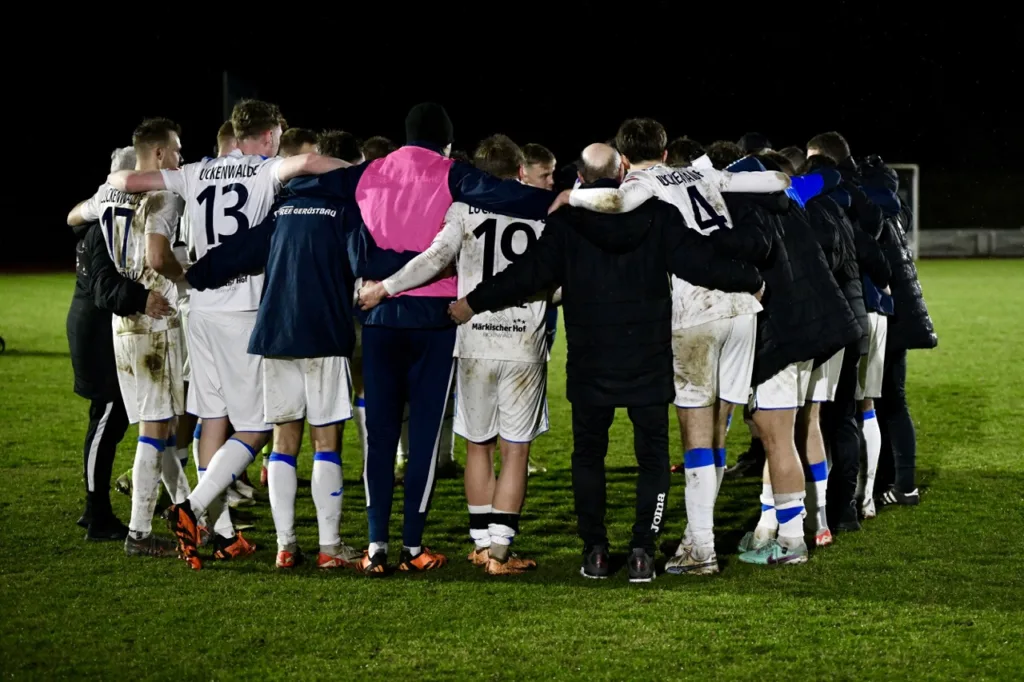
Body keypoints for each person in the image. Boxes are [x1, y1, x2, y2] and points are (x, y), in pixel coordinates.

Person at [449, 142, 765, 582]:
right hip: (648, 357)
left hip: (590, 360)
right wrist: (751, 279)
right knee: (652, 459)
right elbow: (701, 263)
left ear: (581, 178)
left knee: (589, 457)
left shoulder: (567, 223)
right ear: (623, 175)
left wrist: (472, 303)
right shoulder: (657, 215)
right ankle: (641, 551)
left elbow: (526, 275)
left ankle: (595, 551)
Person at [285, 102, 558, 575]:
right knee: (425, 441)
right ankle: (413, 547)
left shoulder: (369, 171)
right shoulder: (452, 173)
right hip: (435, 318)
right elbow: (514, 198)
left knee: (380, 438)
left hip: (379, 314)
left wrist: (283, 170)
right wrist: (564, 198)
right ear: (447, 142)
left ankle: (376, 547)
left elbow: (306, 180)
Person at [106, 99, 346, 569]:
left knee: (212, 418)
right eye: (277, 133)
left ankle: (220, 531)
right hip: (244, 308)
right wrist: (367, 171)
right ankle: (192, 510)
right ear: (268, 133)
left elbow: (128, 181)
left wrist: (112, 186)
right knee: (258, 426)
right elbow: (312, 162)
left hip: (200, 308)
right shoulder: (265, 169)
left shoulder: (195, 171)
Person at [564, 119, 788, 575]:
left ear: (623, 160)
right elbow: (777, 180)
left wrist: (571, 196)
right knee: (719, 428)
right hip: (743, 307)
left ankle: (701, 546)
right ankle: (694, 537)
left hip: (695, 308)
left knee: (695, 432)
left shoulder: (641, 184)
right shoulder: (702, 173)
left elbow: (613, 199)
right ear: (666, 151)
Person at [358, 134, 547, 576]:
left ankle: (480, 543)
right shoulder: (541, 213)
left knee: (477, 444)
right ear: (520, 173)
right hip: (522, 342)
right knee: (515, 451)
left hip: (473, 338)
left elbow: (432, 258)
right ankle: (500, 551)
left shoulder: (461, 210)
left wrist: (384, 288)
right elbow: (555, 282)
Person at [185, 141, 367, 571]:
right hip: (322, 335)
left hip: (275, 336)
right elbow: (364, 262)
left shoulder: (281, 212)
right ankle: (330, 547)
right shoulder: (344, 210)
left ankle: (286, 547)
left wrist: (195, 274)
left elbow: (233, 254)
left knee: (283, 444)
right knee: (326, 442)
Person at [718, 154, 860, 565]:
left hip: (789, 337)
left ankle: (794, 538)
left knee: (778, 436)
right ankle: (786, 524)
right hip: (819, 330)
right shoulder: (788, 203)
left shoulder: (750, 215)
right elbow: (830, 177)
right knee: (789, 430)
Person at [67, 120, 190, 558]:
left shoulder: (108, 194)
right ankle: (139, 533)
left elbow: (73, 216)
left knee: (164, 424)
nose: (180, 157)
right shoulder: (163, 194)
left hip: (123, 325)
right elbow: (158, 256)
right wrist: (187, 280)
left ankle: (192, 517)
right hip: (154, 318)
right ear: (157, 154)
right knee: (156, 429)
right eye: (176, 150)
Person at [861, 156, 936, 507]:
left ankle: (899, 485)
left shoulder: (869, 213)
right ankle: (897, 482)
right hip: (902, 318)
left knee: (877, 402)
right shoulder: (896, 211)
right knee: (892, 400)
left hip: (886, 316)